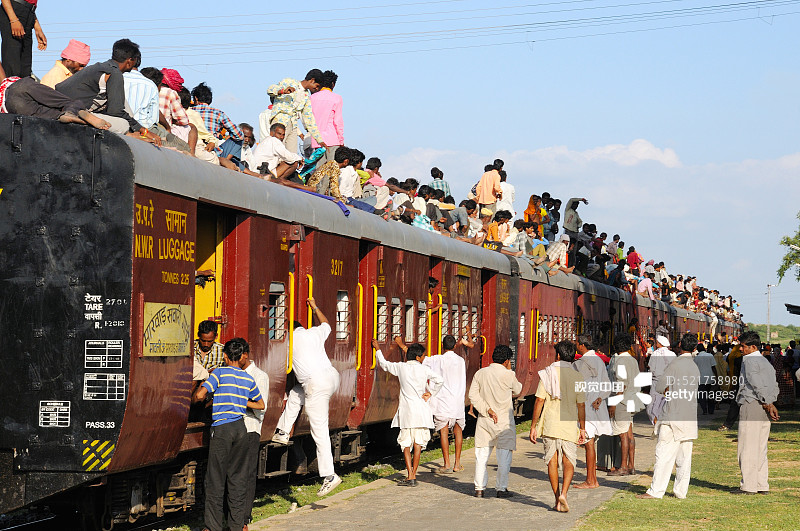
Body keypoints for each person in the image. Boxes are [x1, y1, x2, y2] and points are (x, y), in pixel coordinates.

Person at [272, 298, 342, 496]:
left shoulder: (289, 341)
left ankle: (329, 475)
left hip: (315, 383)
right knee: (296, 393)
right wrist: (314, 307)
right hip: (331, 377)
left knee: (319, 430)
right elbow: (327, 324)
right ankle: (283, 432)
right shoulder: (313, 333)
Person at [192, 338, 264, 531]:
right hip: (241, 429)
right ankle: (236, 525)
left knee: (215, 479)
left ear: (224, 356)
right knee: (238, 479)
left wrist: (204, 394)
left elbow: (200, 395)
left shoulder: (219, 373)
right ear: (241, 357)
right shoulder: (248, 378)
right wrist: (240, 402)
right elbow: (260, 404)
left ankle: (212, 527)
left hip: (222, 429)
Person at [55, 39, 160, 142]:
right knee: (124, 124)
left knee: (123, 103)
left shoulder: (99, 67)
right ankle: (83, 118)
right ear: (130, 61)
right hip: (75, 110)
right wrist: (144, 131)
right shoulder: (114, 73)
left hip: (63, 106)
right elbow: (115, 111)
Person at [637, 333, 701, 500]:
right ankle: (681, 491)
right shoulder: (694, 367)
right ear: (695, 348)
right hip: (688, 415)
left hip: (672, 415)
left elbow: (660, 386)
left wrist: (667, 389)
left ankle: (656, 491)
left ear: (680, 345)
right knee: (684, 457)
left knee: (664, 454)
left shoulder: (675, 364)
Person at [375, 340, 443, 486]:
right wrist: (430, 393)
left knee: (406, 444)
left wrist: (378, 349)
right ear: (418, 357)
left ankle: (410, 475)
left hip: (406, 412)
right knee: (418, 444)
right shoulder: (424, 370)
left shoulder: (401, 367)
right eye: (423, 356)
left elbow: (385, 364)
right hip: (421, 411)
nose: (424, 358)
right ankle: (413, 475)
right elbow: (440, 380)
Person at [531, 340, 587, 512]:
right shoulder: (578, 376)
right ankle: (564, 493)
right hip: (569, 423)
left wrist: (534, 425)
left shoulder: (548, 373)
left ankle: (556, 499)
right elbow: (581, 405)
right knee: (569, 458)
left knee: (552, 460)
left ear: (557, 355)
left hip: (550, 423)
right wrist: (582, 428)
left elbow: (539, 400)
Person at [469, 345, 522, 498]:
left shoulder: (481, 373)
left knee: (481, 455)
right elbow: (518, 390)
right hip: (504, 421)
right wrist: (510, 370)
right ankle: (501, 488)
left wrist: (487, 410)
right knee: (504, 456)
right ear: (506, 360)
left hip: (485, 420)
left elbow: (473, 395)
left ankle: (479, 488)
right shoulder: (508, 375)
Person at [0, 61, 110, 130]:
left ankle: (60, 116)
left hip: (10, 105)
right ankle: (73, 110)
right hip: (18, 85)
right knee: (63, 101)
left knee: (46, 114)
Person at [735, 331, 779, 494]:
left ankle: (749, 485)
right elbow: (774, 383)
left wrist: (767, 402)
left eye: (743, 346)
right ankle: (761, 484)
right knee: (760, 447)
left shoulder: (749, 360)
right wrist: (771, 402)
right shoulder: (765, 361)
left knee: (747, 447)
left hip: (752, 404)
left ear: (752, 347)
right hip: (765, 405)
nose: (740, 349)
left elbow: (755, 382)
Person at [573, 334, 612, 489]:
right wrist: (600, 398)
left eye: (577, 343)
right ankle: (592, 478)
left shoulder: (580, 364)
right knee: (591, 444)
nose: (576, 345)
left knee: (588, 444)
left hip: (586, 409)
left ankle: (591, 480)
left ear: (582, 345)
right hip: (597, 406)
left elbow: (578, 387)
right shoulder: (599, 361)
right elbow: (606, 385)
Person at [423, 335, 467, 473]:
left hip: (442, 401)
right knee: (458, 431)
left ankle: (446, 463)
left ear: (442, 346)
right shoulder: (461, 360)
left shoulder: (437, 359)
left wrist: (401, 346)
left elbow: (420, 359)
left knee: (444, 432)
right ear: (455, 346)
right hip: (458, 401)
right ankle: (457, 464)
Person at [240, 342, 269, 530]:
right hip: (234, 428)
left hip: (250, 428)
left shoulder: (259, 376)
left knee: (247, 474)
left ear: (244, 355)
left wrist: (238, 401)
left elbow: (261, 408)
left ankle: (245, 516)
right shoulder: (232, 374)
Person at [267, 69, 327, 153]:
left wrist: (319, 140)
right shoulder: (289, 82)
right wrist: (282, 91)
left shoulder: (306, 96)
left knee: (292, 157)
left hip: (293, 126)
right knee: (276, 152)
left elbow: (309, 119)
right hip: (280, 122)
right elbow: (270, 89)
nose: (316, 89)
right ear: (312, 80)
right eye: (317, 86)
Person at [608, 333, 640, 476]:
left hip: (622, 400)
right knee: (629, 433)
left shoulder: (620, 361)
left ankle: (623, 467)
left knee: (622, 435)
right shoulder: (632, 360)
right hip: (632, 399)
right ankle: (631, 465)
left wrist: (613, 403)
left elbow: (620, 384)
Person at [0, 0, 46, 78]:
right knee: (13, 69)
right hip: (14, 10)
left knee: (26, 71)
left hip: (29, 13)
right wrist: (13, 19)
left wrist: (37, 26)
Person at [309, 69, 342, 164]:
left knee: (319, 171)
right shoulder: (337, 98)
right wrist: (341, 140)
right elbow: (338, 122)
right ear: (333, 84)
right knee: (331, 170)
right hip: (333, 139)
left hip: (317, 140)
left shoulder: (312, 98)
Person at [646, 335, 676, 425]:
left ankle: (655, 421)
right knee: (665, 403)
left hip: (656, 382)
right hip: (669, 382)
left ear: (659, 343)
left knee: (653, 404)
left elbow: (651, 368)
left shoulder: (655, 354)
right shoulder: (672, 354)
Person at [122, 63, 159, 130]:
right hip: (144, 128)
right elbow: (154, 118)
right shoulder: (151, 85)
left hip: (118, 126)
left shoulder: (113, 79)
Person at [694, 343, 718, 415]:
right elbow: (713, 367)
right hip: (710, 378)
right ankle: (711, 410)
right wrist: (716, 376)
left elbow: (695, 369)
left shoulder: (696, 358)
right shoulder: (710, 356)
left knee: (702, 396)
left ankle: (704, 410)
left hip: (701, 379)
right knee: (711, 395)